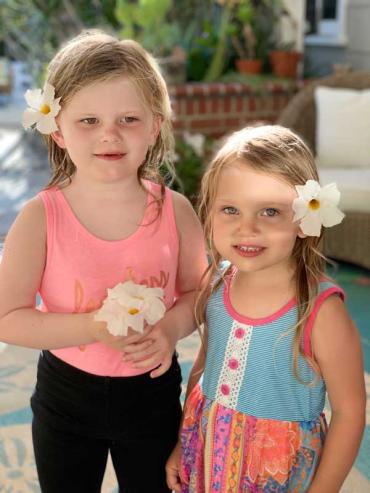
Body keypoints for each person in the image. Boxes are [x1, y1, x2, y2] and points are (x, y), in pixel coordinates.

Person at [0, 30, 207, 493]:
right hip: (66, 398)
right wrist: (92, 329)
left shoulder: (175, 211)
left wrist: (171, 328)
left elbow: (200, 293)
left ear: (154, 126)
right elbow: (7, 319)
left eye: (128, 118)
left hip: (152, 393)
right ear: (58, 128)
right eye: (88, 120)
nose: (109, 134)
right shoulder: (40, 218)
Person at [166, 125, 366, 493]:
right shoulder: (216, 282)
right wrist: (182, 440)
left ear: (305, 219)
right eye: (230, 209)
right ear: (208, 213)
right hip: (207, 451)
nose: (247, 228)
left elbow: (351, 413)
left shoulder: (319, 311)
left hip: (278, 473)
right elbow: (206, 365)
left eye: (270, 211)